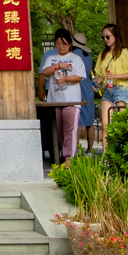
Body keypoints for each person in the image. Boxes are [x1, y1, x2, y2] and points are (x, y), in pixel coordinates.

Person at [40, 33, 87, 165]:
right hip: (55, 100)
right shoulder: (51, 58)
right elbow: (45, 72)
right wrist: (59, 65)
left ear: (70, 44)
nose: (61, 46)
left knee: (70, 130)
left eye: (64, 44)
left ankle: (69, 158)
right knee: (59, 131)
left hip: (72, 100)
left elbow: (79, 76)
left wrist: (65, 79)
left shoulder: (76, 59)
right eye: (58, 44)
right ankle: (64, 155)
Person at [93, 22, 128, 150]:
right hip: (108, 90)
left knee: (123, 123)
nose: (105, 39)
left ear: (115, 36)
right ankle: (106, 155)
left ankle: (125, 152)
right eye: (103, 37)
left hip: (121, 89)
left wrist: (116, 75)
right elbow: (101, 75)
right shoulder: (103, 54)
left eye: (108, 36)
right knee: (105, 125)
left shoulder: (124, 53)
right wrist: (95, 85)